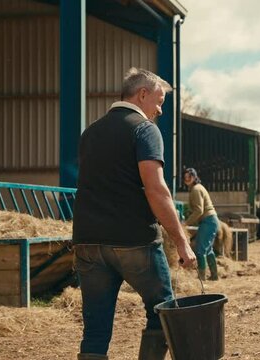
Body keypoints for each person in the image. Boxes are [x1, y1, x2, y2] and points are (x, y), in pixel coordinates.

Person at [72, 67, 196, 360]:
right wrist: (181, 241)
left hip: (88, 241)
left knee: (95, 329)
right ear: (142, 94)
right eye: (159, 102)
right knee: (162, 311)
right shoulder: (144, 129)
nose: (160, 110)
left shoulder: (90, 132)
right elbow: (156, 189)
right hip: (132, 239)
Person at [182, 167, 220, 281]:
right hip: (210, 220)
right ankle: (214, 276)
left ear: (194, 177)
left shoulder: (196, 189)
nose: (187, 179)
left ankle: (202, 278)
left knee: (200, 250)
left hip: (208, 220)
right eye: (185, 178)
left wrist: (186, 223)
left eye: (189, 177)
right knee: (208, 250)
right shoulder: (195, 188)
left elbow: (199, 210)